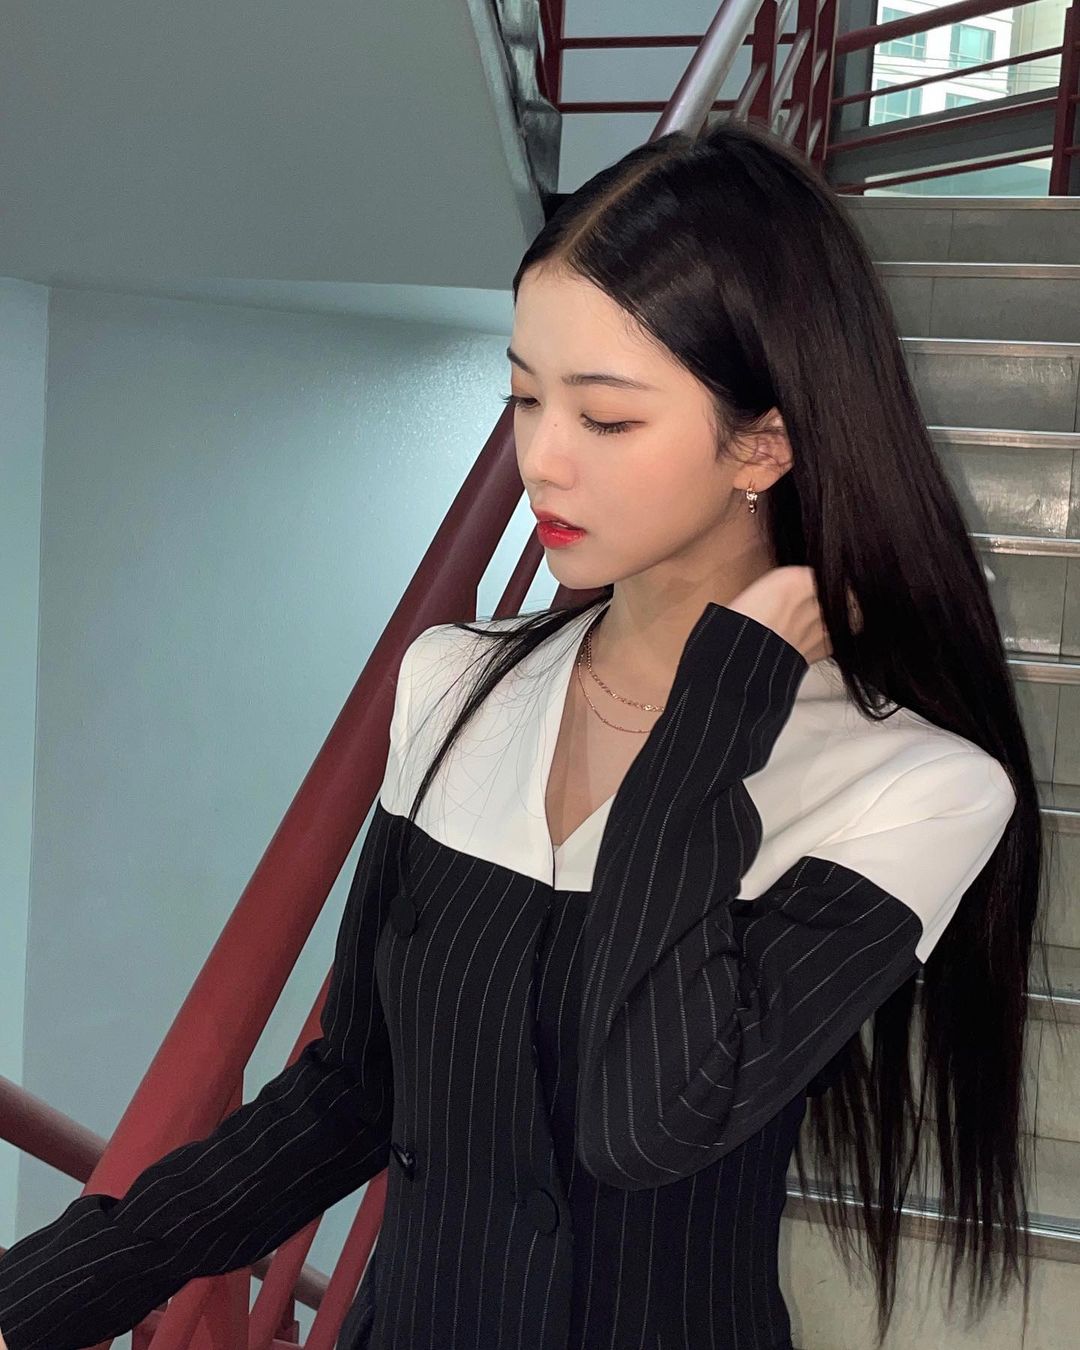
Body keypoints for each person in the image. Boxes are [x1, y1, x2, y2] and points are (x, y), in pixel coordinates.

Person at [0, 118, 1045, 1350]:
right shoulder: (456, 685)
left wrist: (716, 718)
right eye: (523, 396)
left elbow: (645, 1124)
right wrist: (52, 1292)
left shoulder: (915, 786)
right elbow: (352, 1092)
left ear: (762, 444)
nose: (541, 460)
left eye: (606, 419)